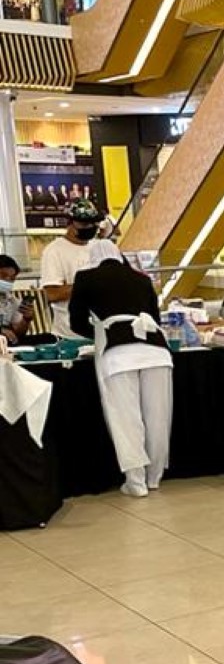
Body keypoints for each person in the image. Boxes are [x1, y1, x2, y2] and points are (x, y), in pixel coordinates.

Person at [69, 239, 173, 498]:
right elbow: (155, 318)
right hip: (156, 350)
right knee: (158, 416)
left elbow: (76, 321)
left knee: (126, 419)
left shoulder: (85, 277)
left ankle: (135, 481)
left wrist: (100, 332)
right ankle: (154, 477)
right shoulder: (141, 278)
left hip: (118, 353)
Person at [39, 204, 104, 337]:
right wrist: (89, 285)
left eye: (93, 224)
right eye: (84, 224)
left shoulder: (99, 247)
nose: (90, 228)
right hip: (70, 334)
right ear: (70, 224)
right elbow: (52, 293)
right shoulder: (54, 251)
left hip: (101, 329)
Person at [0, 255, 32, 344]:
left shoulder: (12, 301)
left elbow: (18, 334)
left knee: (48, 337)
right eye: (3, 276)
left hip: (7, 344)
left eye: (12, 278)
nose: (7, 280)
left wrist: (26, 319)